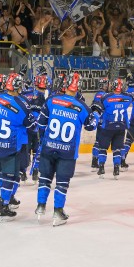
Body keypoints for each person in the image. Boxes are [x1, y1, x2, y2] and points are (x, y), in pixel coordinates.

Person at [35, 72, 98, 226]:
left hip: (48, 147)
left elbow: (41, 124)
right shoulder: (82, 107)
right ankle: (58, 211)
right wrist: (96, 115)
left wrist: (44, 140)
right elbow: (91, 126)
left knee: (44, 178)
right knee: (62, 182)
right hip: (68, 151)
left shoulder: (51, 100)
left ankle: (41, 206)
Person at [0, 73, 37, 222]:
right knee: (8, 176)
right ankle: (4, 206)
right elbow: (32, 127)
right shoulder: (23, 104)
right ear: (18, 86)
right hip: (10, 147)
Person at [91, 77, 134, 179]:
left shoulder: (105, 97)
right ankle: (116, 168)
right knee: (117, 149)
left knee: (102, 148)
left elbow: (97, 106)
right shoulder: (127, 98)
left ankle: (101, 167)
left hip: (107, 126)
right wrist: (131, 86)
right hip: (120, 127)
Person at [19, 74, 47, 182]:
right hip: (38, 127)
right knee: (37, 150)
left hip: (27, 126)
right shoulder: (45, 97)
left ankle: (23, 172)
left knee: (25, 150)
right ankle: (35, 171)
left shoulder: (26, 93)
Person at [90, 77, 109, 170]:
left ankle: (94, 159)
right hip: (104, 121)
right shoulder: (105, 95)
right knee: (102, 143)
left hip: (98, 120)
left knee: (98, 141)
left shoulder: (97, 95)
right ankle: (97, 161)